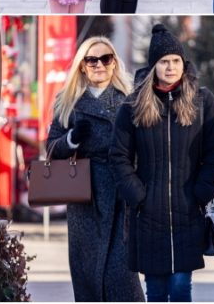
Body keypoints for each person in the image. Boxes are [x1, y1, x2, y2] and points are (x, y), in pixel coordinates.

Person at [110, 24, 214, 302]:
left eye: (176, 61)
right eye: (164, 61)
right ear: (154, 66)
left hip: (188, 209)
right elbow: (118, 156)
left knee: (180, 288)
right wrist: (138, 195)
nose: (171, 67)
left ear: (183, 63)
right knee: (156, 289)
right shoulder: (134, 105)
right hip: (148, 214)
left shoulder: (202, 101)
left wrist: (203, 190)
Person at [45, 37, 142, 302]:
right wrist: (72, 139)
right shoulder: (67, 101)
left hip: (121, 192)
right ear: (83, 67)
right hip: (84, 196)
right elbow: (51, 147)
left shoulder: (130, 100)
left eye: (106, 58)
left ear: (114, 64)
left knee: (121, 275)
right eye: (92, 59)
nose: (99, 64)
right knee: (87, 271)